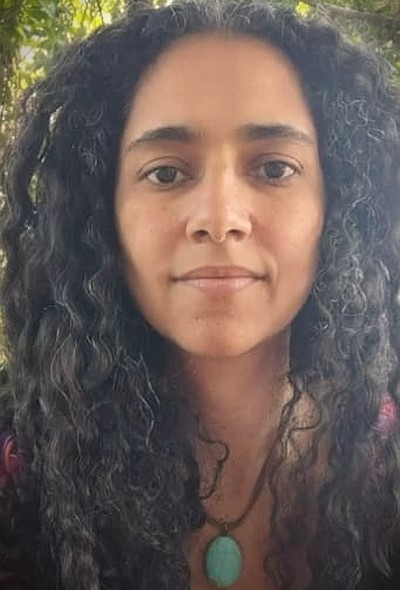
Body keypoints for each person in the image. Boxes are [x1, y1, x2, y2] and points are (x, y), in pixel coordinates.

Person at [0, 0, 400, 588]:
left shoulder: (388, 470)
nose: (218, 218)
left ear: (334, 203)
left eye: (274, 168)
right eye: (166, 172)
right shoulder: (19, 471)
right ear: (104, 213)